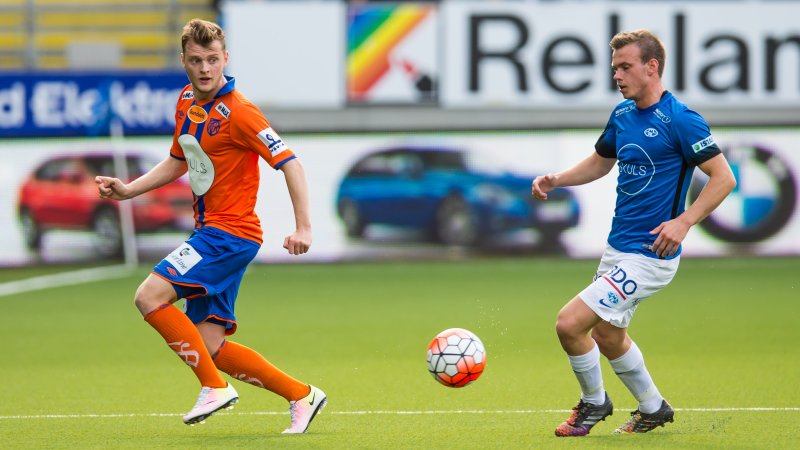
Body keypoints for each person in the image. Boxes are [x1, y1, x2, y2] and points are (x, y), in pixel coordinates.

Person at [95, 18, 326, 433]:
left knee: (149, 296)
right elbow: (178, 160)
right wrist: (128, 190)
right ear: (183, 60)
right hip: (214, 234)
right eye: (197, 60)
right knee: (209, 345)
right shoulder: (186, 100)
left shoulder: (240, 112)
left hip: (228, 235)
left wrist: (303, 227)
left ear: (226, 59)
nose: (205, 68)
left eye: (213, 60)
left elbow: (290, 163)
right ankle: (302, 395)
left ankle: (214, 388)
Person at [532, 29, 736, 437]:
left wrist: (684, 221)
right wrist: (558, 179)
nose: (617, 76)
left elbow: (723, 178)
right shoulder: (623, 115)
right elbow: (601, 162)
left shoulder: (681, 119)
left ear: (652, 67)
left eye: (625, 67)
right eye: (614, 68)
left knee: (569, 324)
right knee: (608, 335)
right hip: (618, 249)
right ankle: (653, 407)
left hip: (650, 254)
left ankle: (594, 403)